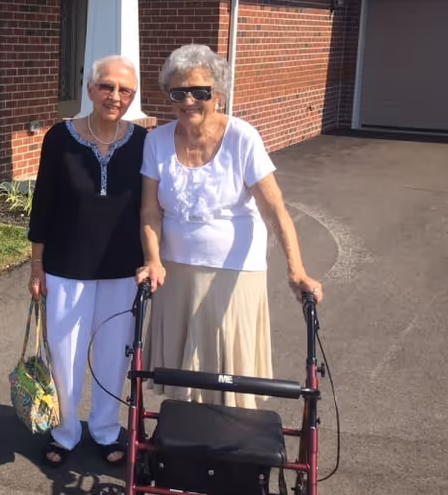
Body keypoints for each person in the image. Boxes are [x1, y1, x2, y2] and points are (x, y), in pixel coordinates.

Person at [136, 44, 324, 409]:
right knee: (184, 378)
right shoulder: (156, 140)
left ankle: (229, 439)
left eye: (200, 91)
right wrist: (153, 259)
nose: (189, 100)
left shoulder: (242, 137)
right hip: (176, 272)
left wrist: (297, 270)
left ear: (218, 94)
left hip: (234, 272)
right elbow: (149, 212)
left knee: (229, 376)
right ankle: (185, 437)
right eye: (179, 93)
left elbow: (275, 210)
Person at [27, 55, 147, 467]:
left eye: (125, 90)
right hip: (66, 267)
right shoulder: (60, 138)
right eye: (107, 86)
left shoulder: (143, 141)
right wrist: (37, 264)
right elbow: (43, 202)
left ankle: (106, 429)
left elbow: (152, 207)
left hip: (123, 270)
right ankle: (65, 431)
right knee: (65, 357)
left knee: (114, 358)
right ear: (91, 89)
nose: (115, 96)